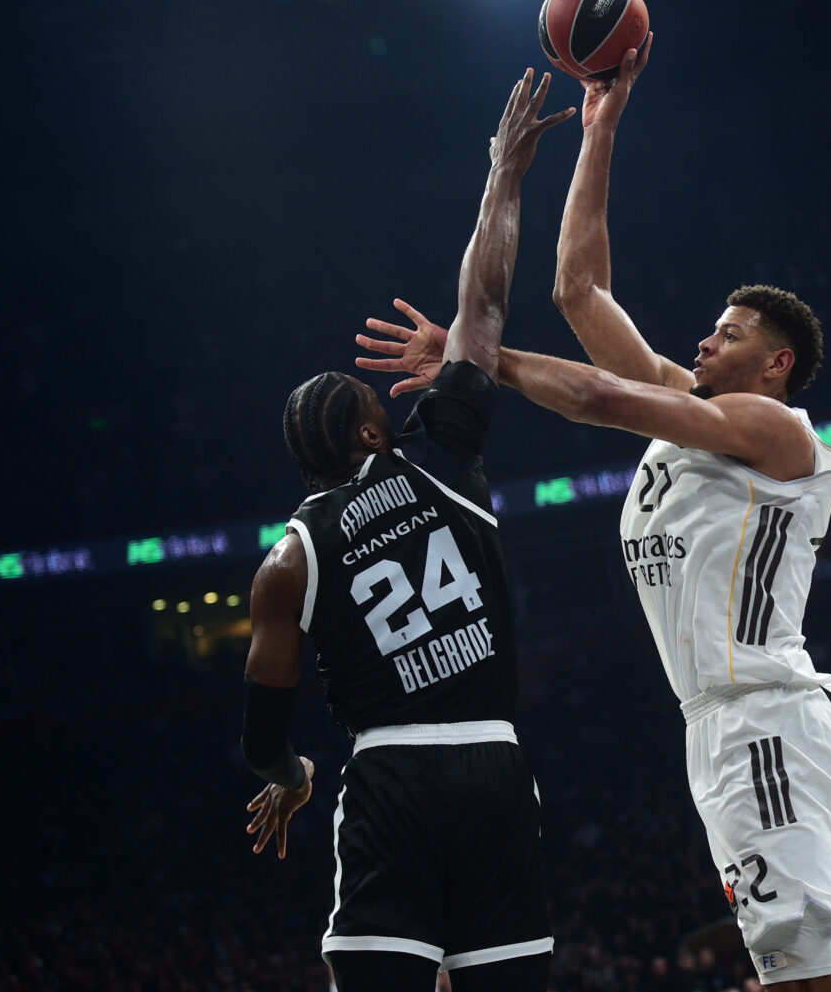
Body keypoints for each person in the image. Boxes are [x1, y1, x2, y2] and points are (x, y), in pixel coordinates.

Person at [356, 41, 831, 991]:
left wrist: (476, 360)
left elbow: (598, 397)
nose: (705, 339)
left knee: (802, 980)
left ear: (778, 365)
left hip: (758, 718)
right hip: (734, 725)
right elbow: (578, 291)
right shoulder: (701, 413)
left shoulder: (771, 429)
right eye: (711, 327)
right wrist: (602, 126)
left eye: (731, 334)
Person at [240, 70, 574, 992]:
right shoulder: (441, 456)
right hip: (494, 763)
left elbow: (262, 738)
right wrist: (503, 174)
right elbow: (484, 303)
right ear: (368, 433)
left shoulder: (288, 560)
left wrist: (293, 774)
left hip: (391, 779)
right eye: (372, 398)